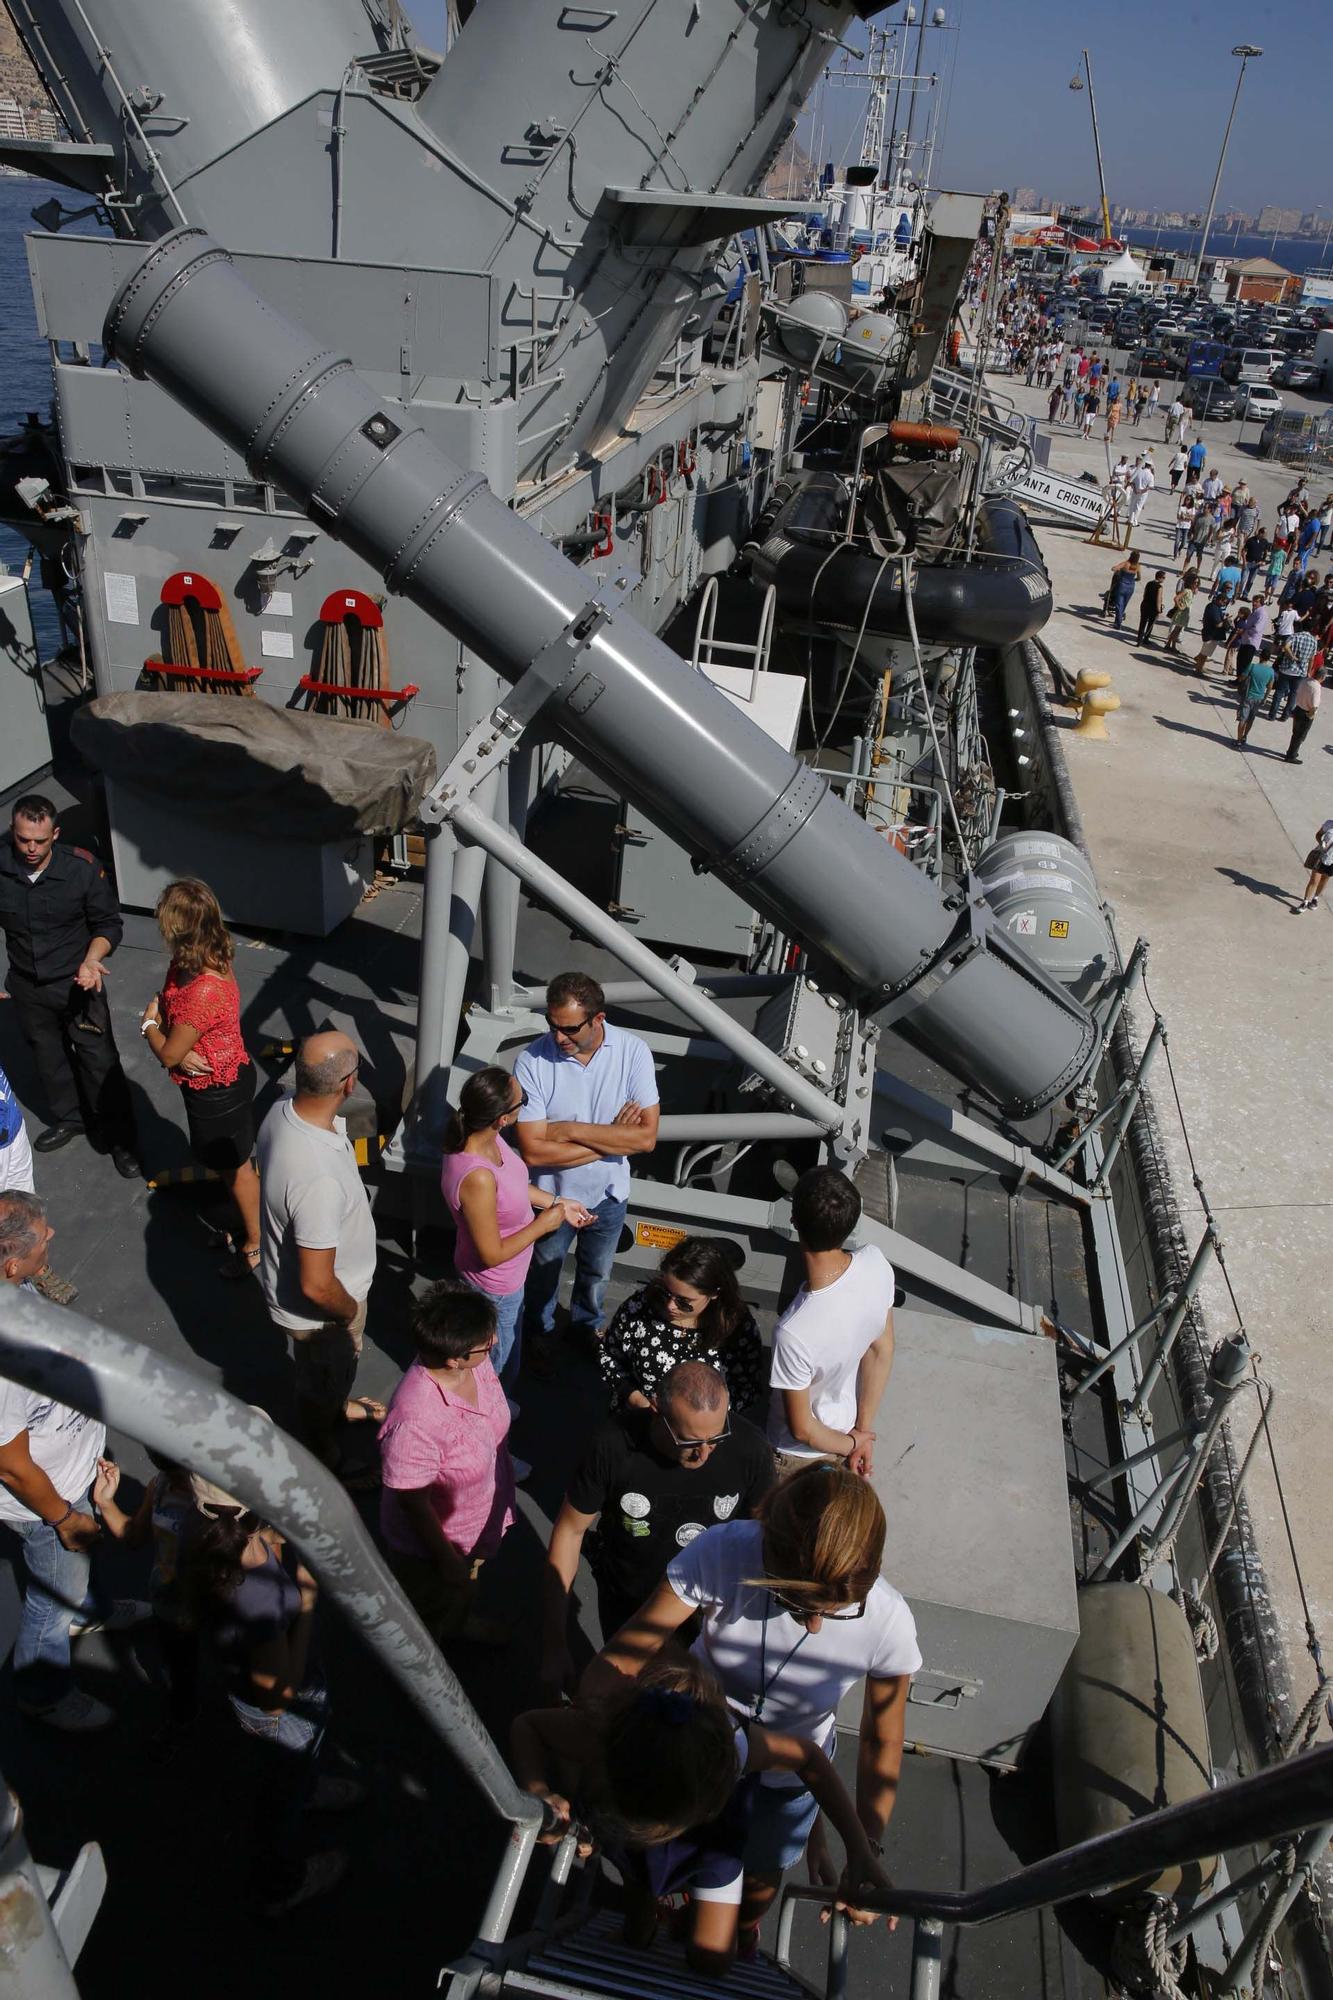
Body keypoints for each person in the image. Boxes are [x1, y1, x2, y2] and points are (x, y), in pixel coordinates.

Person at [584, 1463, 921, 1944]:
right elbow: (625, 1654)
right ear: (766, 1557)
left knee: (761, 1875)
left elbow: (880, 1736)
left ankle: (740, 1932)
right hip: (695, 1745)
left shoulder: (890, 1622)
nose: (813, 1627)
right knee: (663, 1848)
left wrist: (866, 1844)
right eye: (793, 1604)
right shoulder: (725, 1550)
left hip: (786, 1776)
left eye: (840, 1611)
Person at [515, 1654, 888, 1974]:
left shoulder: (732, 1746)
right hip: (627, 1835)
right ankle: (643, 1922)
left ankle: (662, 1915)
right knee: (637, 1898)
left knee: (712, 1961)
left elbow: (809, 1758)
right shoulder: (605, 1732)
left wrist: (859, 1847)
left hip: (711, 1845)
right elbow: (529, 1726)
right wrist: (540, 1792)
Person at [182, 1470, 363, 1915]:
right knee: (280, 1795)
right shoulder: (257, 1599)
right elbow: (278, 1698)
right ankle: (280, 1884)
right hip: (284, 1709)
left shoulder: (203, 1533)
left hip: (250, 1675)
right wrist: (303, 1608)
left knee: (293, 1775)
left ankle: (308, 1787)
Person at [542, 1360, 773, 1692]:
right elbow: (569, 1531)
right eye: (689, 1442)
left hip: (707, 1616)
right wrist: (554, 1643)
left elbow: (764, 1534)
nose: (704, 1454)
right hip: (628, 1602)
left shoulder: (750, 1448)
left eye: (717, 1437)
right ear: (656, 1409)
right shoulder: (613, 1445)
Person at [0, 1190, 138, 1729]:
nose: (53, 1236)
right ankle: (42, 1690)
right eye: (42, 1236)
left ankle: (93, 1610)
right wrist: (63, 1517)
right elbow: (10, 1464)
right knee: (51, 1596)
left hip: (74, 1475)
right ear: (12, 1262)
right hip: (46, 1503)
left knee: (77, 1564)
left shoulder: (16, 1289)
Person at [514, 973, 659, 1367]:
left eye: (569, 1028)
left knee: (596, 1274)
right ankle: (539, 1333)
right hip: (553, 1199)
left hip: (609, 1195)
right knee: (543, 1275)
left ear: (598, 1019)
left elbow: (646, 1139)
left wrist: (567, 1131)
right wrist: (612, 1138)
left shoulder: (633, 1052)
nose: (558, 1037)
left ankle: (585, 1327)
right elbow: (532, 1150)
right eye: (552, 1025)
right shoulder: (531, 1060)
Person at [255, 1031, 384, 1476]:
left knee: (323, 1378)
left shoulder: (279, 1113)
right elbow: (316, 1282)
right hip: (325, 1313)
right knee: (322, 1381)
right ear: (348, 1084)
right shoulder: (319, 1180)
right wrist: (347, 1312)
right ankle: (325, 1454)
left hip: (300, 1295)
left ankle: (336, 1405)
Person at [0, 796, 138, 1175]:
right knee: (48, 1058)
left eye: (40, 841)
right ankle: (72, 1118)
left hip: (78, 983)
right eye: (23, 839)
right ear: (14, 831)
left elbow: (108, 924)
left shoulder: (80, 869)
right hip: (28, 986)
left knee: (99, 1061)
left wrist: (92, 960)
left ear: (55, 834)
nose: (30, 849)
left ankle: (121, 1139)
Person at [378, 1282, 515, 1646]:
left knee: (461, 1591)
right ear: (454, 1357)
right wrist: (446, 1559)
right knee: (426, 1611)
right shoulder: (415, 1419)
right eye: (486, 1344)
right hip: (437, 1545)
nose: (495, 1344)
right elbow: (412, 1501)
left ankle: (458, 1623)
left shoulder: (473, 1367)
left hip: (474, 1524)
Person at [440, 1066, 591, 1391]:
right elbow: (491, 1254)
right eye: (521, 1101)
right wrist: (542, 1225)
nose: (526, 1104)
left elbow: (515, 1186)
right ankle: (492, 1422)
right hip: (495, 1287)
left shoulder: (488, 1140)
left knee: (506, 1351)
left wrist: (558, 1203)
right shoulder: (477, 1176)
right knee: (499, 1367)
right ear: (502, 1118)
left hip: (510, 1278)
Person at [140, 879, 260, 1278]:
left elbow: (169, 1053)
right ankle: (245, 1224)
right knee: (228, 1165)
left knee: (237, 1168)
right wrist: (168, 1025)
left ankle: (256, 1242)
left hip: (220, 1092)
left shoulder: (204, 988)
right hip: (215, 1085)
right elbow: (165, 997)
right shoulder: (192, 959)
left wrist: (149, 1026)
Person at [768, 1166, 895, 1477]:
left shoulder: (793, 1333)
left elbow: (802, 1430)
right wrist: (861, 1433)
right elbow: (881, 1350)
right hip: (845, 1431)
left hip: (793, 1457)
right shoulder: (877, 1264)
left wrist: (852, 1444)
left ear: (794, 1221)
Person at [91, 1447, 200, 1729]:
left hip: (211, 1603)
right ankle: (183, 1715)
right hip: (171, 1606)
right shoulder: (160, 1485)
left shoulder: (217, 1499)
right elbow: (134, 1535)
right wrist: (104, 1502)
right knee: (180, 1668)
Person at [600, 1236, 765, 1415]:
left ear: (715, 1293)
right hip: (638, 1417)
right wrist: (631, 1395)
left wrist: (700, 1419)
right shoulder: (641, 1305)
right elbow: (609, 1355)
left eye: (684, 1302)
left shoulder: (736, 1325)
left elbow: (747, 1387)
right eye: (665, 1293)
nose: (671, 1306)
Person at [1235, 637, 1275, 750]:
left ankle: (1238, 740)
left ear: (1260, 656)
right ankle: (1245, 736)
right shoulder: (1271, 671)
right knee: (1251, 719)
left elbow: (1241, 678)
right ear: (1268, 659)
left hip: (1248, 696)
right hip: (1259, 698)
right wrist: (1266, 698)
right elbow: (1270, 687)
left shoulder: (1252, 666)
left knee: (1242, 719)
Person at [1286, 651, 1323, 764]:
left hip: (1298, 709)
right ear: (1322, 676)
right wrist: (1310, 716)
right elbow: (1314, 706)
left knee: (1295, 733)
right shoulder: (1316, 687)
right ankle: (1291, 755)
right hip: (1305, 714)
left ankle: (1291, 752)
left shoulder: (1306, 681)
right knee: (1300, 736)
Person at [1192, 587, 1234, 677]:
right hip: (1211, 634)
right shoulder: (1214, 608)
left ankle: (1199, 666)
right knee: (1204, 654)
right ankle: (1198, 669)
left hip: (1209, 633)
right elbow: (1218, 624)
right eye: (1224, 602)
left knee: (1205, 652)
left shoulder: (1212, 606)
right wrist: (1226, 620)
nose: (1224, 604)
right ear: (1220, 600)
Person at [1297, 818, 1333, 909]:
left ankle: (1315, 899)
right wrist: (1321, 843)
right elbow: (1318, 834)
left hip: (1332, 860)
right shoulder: (1329, 824)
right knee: (1314, 880)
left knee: (1324, 880)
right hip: (1321, 856)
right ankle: (1305, 902)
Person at [1163, 571, 1199, 655]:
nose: (1196, 584)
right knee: (1177, 630)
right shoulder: (1187, 590)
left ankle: (1170, 645)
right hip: (1182, 613)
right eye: (1195, 582)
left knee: (1177, 630)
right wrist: (1180, 606)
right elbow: (1176, 598)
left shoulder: (1191, 591)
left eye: (1197, 583)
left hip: (1185, 613)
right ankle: (1171, 645)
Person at [1106, 548, 1142, 631]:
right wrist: (1133, 580)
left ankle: (1118, 623)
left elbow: (1114, 568)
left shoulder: (1126, 563)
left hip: (1122, 585)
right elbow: (1139, 578)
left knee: (1119, 604)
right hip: (1131, 586)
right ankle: (1117, 620)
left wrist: (1116, 569)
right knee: (1124, 604)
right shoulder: (1138, 566)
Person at [1137, 571, 1167, 648]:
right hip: (1153, 607)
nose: (1164, 579)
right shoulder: (1159, 587)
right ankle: (1146, 638)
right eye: (1163, 578)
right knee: (1150, 623)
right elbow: (1158, 599)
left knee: (1142, 622)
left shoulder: (1149, 583)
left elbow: (1144, 594)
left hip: (1145, 604)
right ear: (1159, 577)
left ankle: (1139, 639)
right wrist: (1159, 610)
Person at [1127, 456, 1155, 527]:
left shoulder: (1139, 471)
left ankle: (1130, 520)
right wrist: (1142, 490)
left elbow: (1132, 482)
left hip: (1135, 490)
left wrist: (1135, 489)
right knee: (1138, 507)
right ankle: (1134, 521)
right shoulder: (1150, 475)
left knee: (1132, 505)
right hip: (1143, 493)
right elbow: (1150, 487)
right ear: (1150, 466)